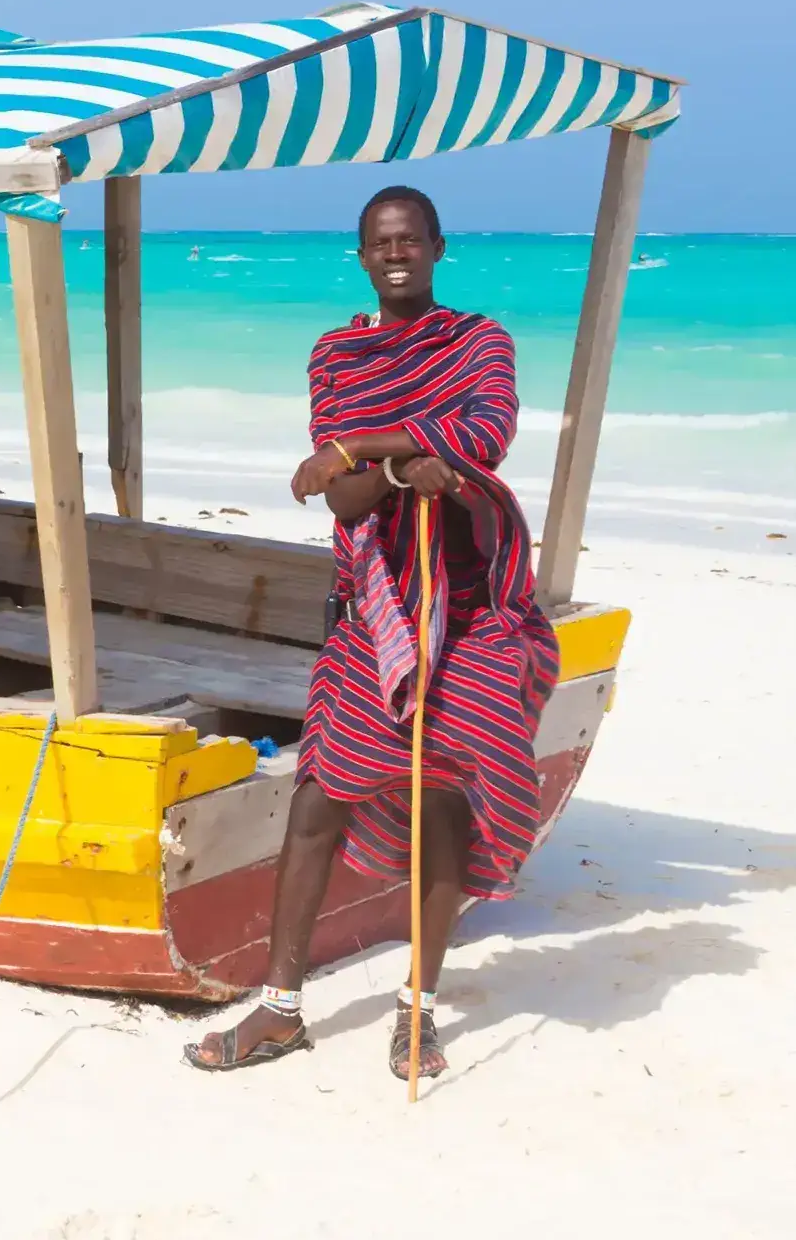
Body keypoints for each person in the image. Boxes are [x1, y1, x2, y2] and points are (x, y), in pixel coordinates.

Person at [183, 184, 563, 1079]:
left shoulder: (480, 341)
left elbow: (486, 436)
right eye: (379, 243)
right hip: (379, 608)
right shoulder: (339, 353)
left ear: (437, 246)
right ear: (362, 256)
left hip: (470, 611)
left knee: (445, 799)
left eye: (410, 240)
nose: (396, 254)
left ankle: (417, 1010)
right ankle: (279, 1009)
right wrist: (395, 469)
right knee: (318, 801)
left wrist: (360, 449)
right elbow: (343, 495)